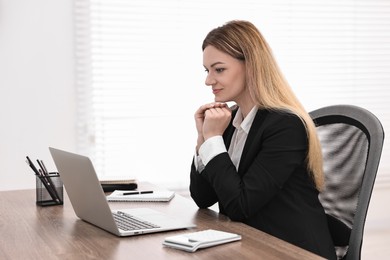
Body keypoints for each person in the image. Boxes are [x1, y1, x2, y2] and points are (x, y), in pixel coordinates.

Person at [189, 20, 337, 259]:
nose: (208, 80)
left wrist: (214, 138)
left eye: (219, 69)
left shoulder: (285, 125)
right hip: (249, 244)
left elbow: (240, 206)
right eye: (207, 71)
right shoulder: (230, 119)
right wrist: (203, 139)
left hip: (291, 251)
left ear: (251, 66)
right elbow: (203, 198)